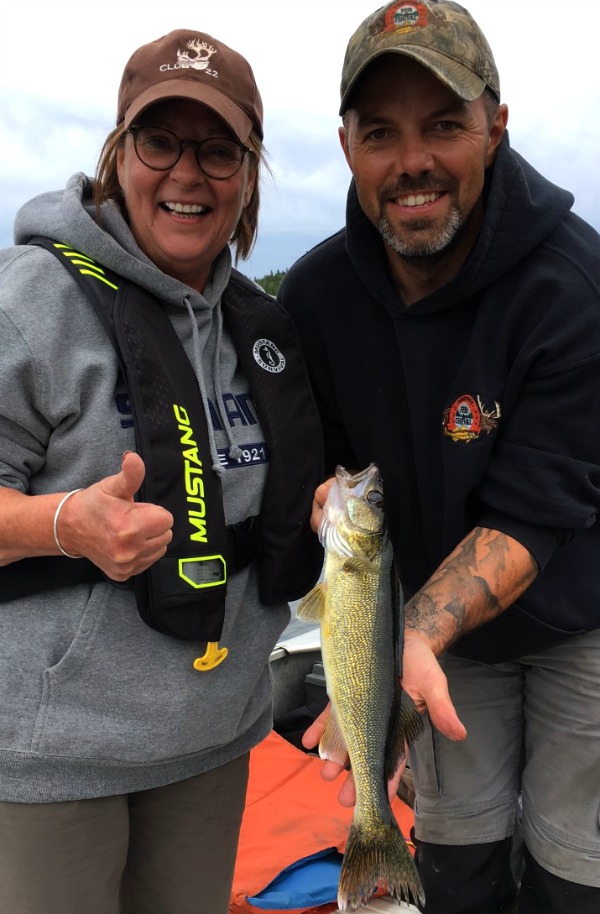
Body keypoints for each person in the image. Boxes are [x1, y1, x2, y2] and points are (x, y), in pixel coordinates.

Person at [278, 2, 600, 912]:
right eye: (380, 132)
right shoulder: (314, 294)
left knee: (575, 865)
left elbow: (538, 510)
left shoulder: (575, 287)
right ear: (345, 147)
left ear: (496, 129)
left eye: (444, 124)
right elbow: (323, 464)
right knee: (457, 854)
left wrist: (408, 634)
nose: (411, 160)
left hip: (577, 619)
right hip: (417, 625)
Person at [0, 28, 323, 914]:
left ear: (249, 174)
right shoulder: (30, 300)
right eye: (160, 141)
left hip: (214, 744)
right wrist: (62, 523)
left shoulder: (262, 329)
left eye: (219, 149)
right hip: (51, 757)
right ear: (118, 152)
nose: (189, 173)